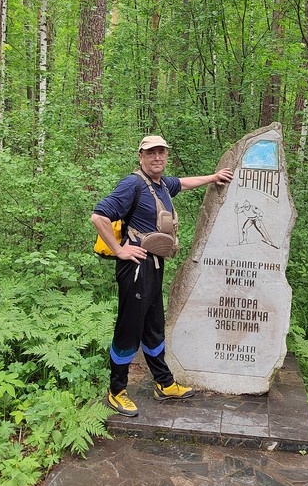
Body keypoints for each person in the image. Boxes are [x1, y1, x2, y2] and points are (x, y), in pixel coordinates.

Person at [91, 135, 233, 417]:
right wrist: (119, 250)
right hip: (136, 268)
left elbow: (183, 182)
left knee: (154, 326)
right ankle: (116, 390)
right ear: (141, 157)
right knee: (129, 329)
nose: (157, 157)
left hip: (154, 266)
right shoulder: (133, 184)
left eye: (161, 153)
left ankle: (164, 384)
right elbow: (99, 216)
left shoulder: (161, 185)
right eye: (151, 153)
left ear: (166, 156)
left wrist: (214, 177)